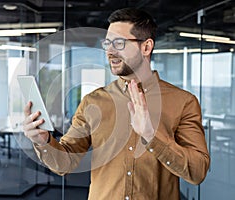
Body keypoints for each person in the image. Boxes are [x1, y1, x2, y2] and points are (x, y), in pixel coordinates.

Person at [23, 8, 210, 200]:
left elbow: (197, 172)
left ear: (146, 47)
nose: (110, 51)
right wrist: (43, 142)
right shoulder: (92, 102)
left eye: (119, 43)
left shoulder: (183, 102)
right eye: (107, 43)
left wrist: (151, 135)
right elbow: (65, 163)